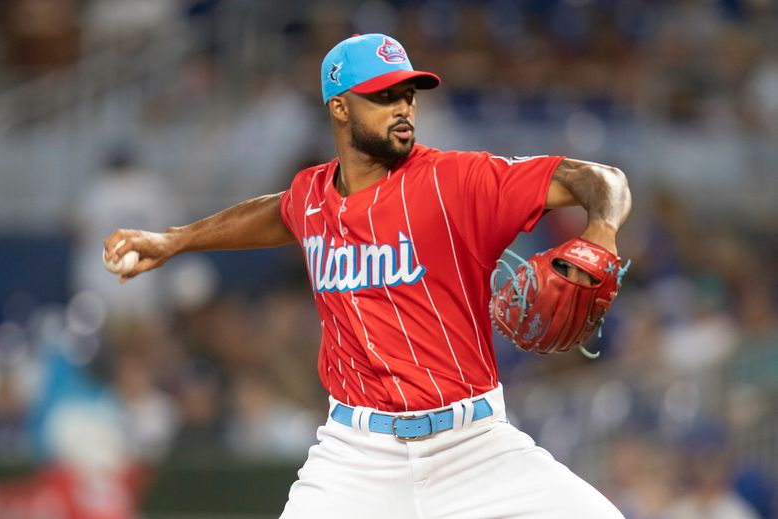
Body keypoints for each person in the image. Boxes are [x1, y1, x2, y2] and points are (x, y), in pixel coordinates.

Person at [103, 34, 631, 519]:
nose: (403, 108)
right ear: (339, 107)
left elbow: (600, 179)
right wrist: (174, 240)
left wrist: (602, 230)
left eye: (408, 94)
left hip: (472, 447)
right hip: (356, 456)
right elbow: (275, 214)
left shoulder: (457, 181)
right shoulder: (312, 194)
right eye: (382, 96)